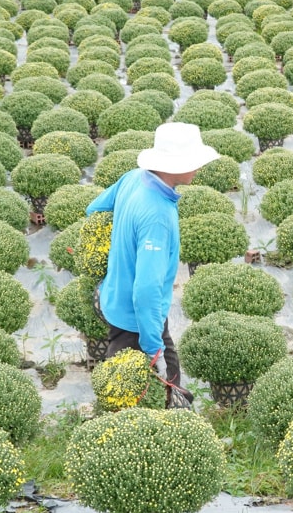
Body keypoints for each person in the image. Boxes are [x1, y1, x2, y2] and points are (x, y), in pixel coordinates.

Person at [85, 122, 219, 392]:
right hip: (134, 317)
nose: (199, 167)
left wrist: (121, 249)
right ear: (173, 165)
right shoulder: (157, 215)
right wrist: (151, 346)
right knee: (138, 391)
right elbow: (146, 290)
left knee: (142, 380)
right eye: (194, 161)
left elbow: (94, 209)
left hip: (114, 296)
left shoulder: (134, 177)